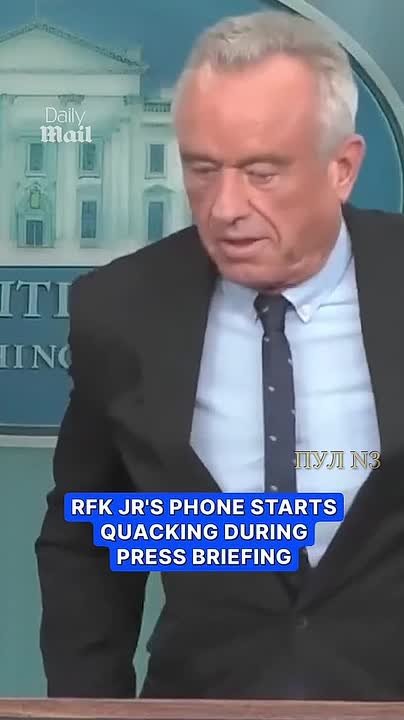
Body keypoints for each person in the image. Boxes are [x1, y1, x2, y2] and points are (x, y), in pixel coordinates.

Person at [35, 9, 404, 701]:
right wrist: (89, 711)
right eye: (203, 169)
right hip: (200, 700)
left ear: (343, 168)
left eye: (262, 172)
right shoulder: (121, 310)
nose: (225, 207)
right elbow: (87, 540)